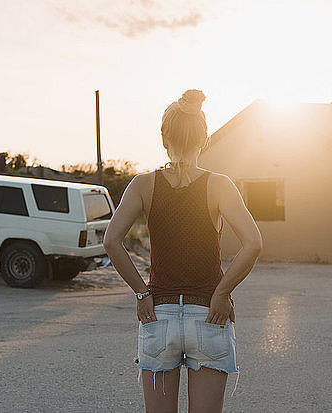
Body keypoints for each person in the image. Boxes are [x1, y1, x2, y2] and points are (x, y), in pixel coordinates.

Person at [103, 89, 263, 412]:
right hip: (209, 315)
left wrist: (140, 293)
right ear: (203, 139)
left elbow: (111, 242)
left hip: (158, 315)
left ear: (164, 138)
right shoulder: (220, 185)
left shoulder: (143, 185)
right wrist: (222, 292)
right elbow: (253, 243)